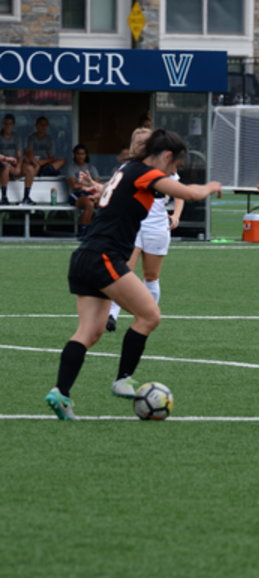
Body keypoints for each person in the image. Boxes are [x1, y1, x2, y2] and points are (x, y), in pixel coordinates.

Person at [45, 128, 221, 420]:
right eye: (175, 165)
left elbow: (113, 193)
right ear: (166, 156)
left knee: (90, 332)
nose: (173, 172)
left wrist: (97, 189)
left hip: (85, 256)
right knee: (150, 316)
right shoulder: (145, 173)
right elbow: (190, 193)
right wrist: (212, 186)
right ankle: (122, 379)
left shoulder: (127, 169)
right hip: (104, 256)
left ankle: (60, 393)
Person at [106, 128, 185, 332]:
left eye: (145, 143)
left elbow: (180, 194)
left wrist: (176, 215)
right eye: (138, 142)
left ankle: (149, 314)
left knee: (151, 275)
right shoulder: (127, 167)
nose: (141, 146)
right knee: (125, 270)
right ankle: (111, 315)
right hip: (133, 225)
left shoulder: (163, 168)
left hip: (157, 226)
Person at [22, 116, 66, 205]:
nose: (44, 127)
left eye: (46, 125)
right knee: (28, 164)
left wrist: (41, 163)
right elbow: (29, 153)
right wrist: (36, 163)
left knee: (62, 160)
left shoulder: (49, 139)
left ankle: (44, 172)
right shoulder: (31, 137)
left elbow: (51, 158)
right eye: (41, 125)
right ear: (36, 126)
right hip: (33, 165)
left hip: (45, 165)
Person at [66, 143, 102, 239]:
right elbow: (74, 186)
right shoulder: (71, 168)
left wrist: (83, 184)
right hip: (76, 195)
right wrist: (90, 183)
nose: (80, 156)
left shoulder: (91, 167)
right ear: (74, 155)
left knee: (102, 203)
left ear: (86, 155)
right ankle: (83, 232)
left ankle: (100, 231)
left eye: (82, 154)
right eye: (78, 153)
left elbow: (97, 184)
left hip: (90, 193)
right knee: (89, 204)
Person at [0, 114, 25, 205]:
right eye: (6, 124)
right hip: (2, 165)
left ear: (13, 125)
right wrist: (6, 159)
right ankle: (4, 197)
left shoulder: (16, 137)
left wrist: (18, 167)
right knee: (6, 166)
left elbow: (20, 156)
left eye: (10, 124)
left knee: (29, 168)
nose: (8, 126)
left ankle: (25, 198)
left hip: (13, 166)